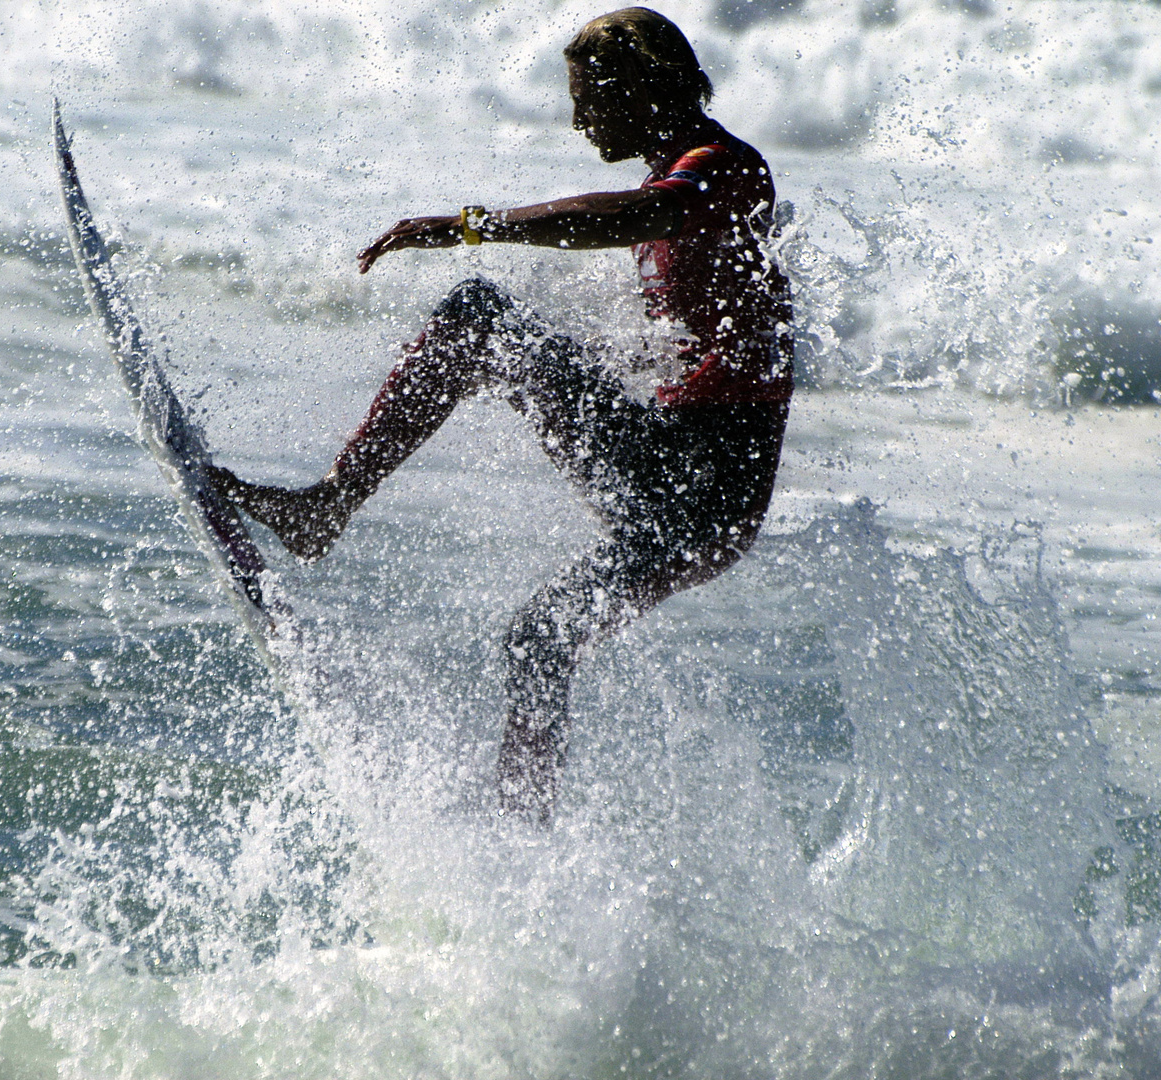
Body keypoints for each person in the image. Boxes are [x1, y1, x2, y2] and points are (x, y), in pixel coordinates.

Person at [211, 7, 793, 824]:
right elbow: (691, 338)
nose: (580, 117)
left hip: (703, 489)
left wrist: (472, 226)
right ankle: (525, 830)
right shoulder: (684, 177)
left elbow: (633, 216)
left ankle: (328, 509)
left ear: (644, 88)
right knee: (539, 638)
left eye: (591, 96)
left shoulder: (719, 168)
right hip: (685, 484)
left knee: (480, 312)